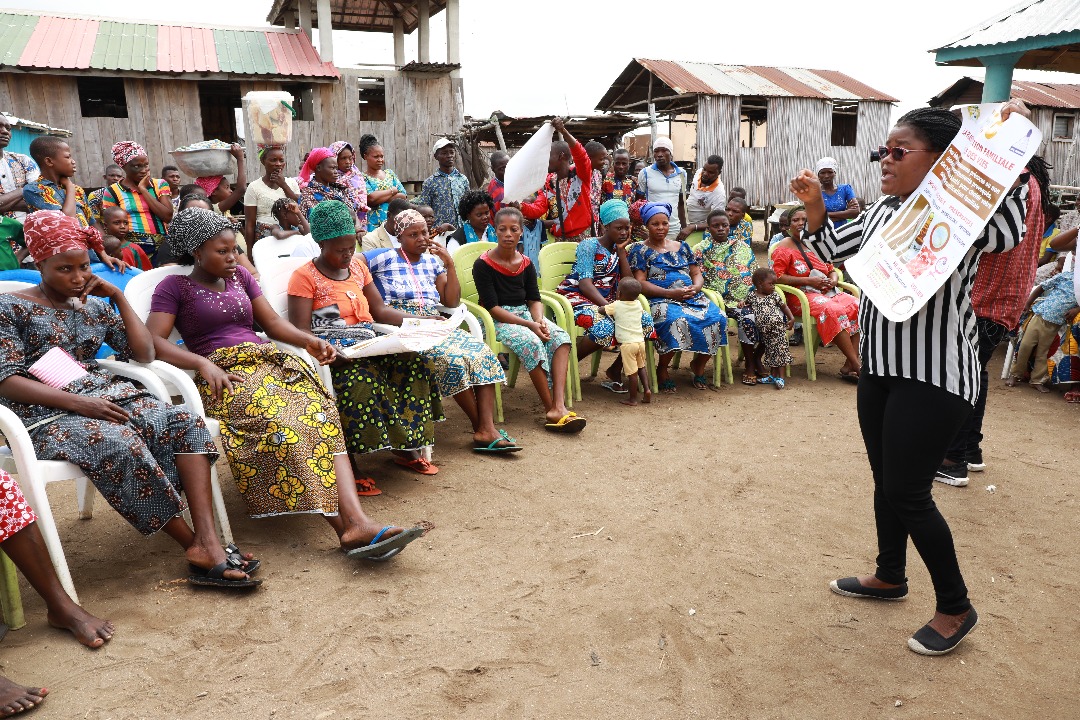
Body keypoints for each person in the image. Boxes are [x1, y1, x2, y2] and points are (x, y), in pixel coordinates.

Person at [790, 101, 1032, 656]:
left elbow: (1009, 231)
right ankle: (889, 574)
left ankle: (955, 605)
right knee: (885, 479)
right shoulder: (882, 211)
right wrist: (815, 206)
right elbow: (831, 250)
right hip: (880, 369)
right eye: (884, 150)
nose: (885, 159)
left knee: (907, 491)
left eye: (899, 151)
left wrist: (998, 151)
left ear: (941, 159)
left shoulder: (964, 214)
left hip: (934, 374)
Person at [0, 211, 259, 588]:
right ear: (38, 263)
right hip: (42, 412)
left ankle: (207, 539)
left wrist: (119, 296)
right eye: (63, 269)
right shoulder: (9, 308)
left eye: (83, 267)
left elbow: (144, 352)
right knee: (117, 442)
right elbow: (5, 380)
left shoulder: (92, 303)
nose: (77, 278)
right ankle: (194, 545)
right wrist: (80, 405)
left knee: (184, 421)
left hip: (103, 396)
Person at [147, 207, 426, 556]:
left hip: (267, 362)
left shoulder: (240, 280)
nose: (234, 258)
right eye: (222, 251)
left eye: (235, 249)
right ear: (196, 251)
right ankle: (347, 528)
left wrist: (310, 341)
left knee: (321, 411)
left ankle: (357, 519)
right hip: (226, 375)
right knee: (287, 422)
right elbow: (151, 342)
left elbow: (272, 326)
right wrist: (201, 364)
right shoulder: (175, 287)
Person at [286, 201, 444, 481]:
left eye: (351, 248)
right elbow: (301, 330)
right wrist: (328, 348)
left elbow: (380, 311)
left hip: (370, 343)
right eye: (340, 250)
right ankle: (352, 465)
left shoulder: (358, 270)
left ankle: (407, 447)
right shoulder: (304, 277)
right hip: (333, 352)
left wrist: (423, 322)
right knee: (363, 380)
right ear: (322, 245)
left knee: (415, 364)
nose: (348, 255)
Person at [364, 208, 518, 452]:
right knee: (453, 362)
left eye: (424, 232)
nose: (421, 239)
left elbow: (452, 301)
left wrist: (450, 265)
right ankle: (484, 429)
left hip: (436, 320)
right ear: (399, 237)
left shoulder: (433, 262)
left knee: (481, 352)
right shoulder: (383, 258)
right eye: (413, 235)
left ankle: (485, 428)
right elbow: (354, 261)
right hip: (404, 324)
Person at [936, 159, 1050, 485]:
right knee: (975, 372)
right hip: (1005, 295)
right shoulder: (1033, 186)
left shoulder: (1016, 182)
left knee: (962, 376)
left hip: (987, 294)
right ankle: (969, 450)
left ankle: (952, 458)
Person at [474, 206, 585, 432]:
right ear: (494, 231)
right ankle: (550, 408)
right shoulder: (483, 264)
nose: (508, 234)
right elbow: (493, 308)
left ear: (521, 232)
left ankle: (559, 404)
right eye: (502, 229)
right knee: (532, 341)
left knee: (560, 338)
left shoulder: (525, 262)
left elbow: (534, 298)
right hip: (498, 322)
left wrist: (540, 321)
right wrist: (530, 326)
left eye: (513, 229)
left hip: (526, 315)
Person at [555, 200, 654, 392]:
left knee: (647, 323)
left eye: (627, 228)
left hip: (609, 301)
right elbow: (584, 284)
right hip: (577, 297)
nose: (624, 232)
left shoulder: (622, 248)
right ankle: (569, 364)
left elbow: (630, 285)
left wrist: (622, 254)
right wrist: (613, 310)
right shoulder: (589, 245)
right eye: (619, 228)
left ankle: (615, 370)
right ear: (605, 226)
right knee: (605, 326)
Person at [628, 202, 727, 392]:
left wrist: (696, 288)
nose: (660, 228)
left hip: (691, 297)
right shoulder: (639, 250)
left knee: (718, 317)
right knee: (675, 320)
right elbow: (640, 282)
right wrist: (669, 293)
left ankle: (698, 364)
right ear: (646, 226)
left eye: (664, 223)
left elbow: (696, 273)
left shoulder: (682, 247)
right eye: (655, 224)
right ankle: (662, 368)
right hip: (659, 299)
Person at [771, 207, 861, 381]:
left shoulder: (818, 245)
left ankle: (849, 365)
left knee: (858, 306)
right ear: (789, 225)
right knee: (832, 309)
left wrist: (834, 280)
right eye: (795, 220)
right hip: (800, 296)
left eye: (804, 219)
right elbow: (777, 277)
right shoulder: (783, 247)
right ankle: (857, 365)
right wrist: (808, 281)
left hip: (826, 291)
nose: (800, 223)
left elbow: (830, 269)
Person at [518, 118, 593, 243]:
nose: (544, 161)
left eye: (547, 156)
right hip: (561, 240)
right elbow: (538, 209)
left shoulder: (580, 175)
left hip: (584, 240)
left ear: (561, 156)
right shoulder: (549, 184)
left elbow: (581, 155)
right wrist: (520, 206)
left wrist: (563, 131)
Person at [100, 140, 173, 262]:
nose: (143, 170)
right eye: (137, 166)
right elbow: (111, 223)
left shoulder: (159, 185)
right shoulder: (112, 192)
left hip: (161, 246)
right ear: (124, 167)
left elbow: (167, 216)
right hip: (131, 248)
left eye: (146, 165)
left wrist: (143, 189)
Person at [1008, 266, 1077, 392]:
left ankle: (1037, 380)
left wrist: (1077, 309)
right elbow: (1042, 287)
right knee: (1025, 346)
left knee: (1043, 352)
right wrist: (1028, 303)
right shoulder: (1065, 276)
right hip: (1040, 315)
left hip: (1056, 323)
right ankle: (1015, 374)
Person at [601, 277, 651, 406]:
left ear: (619, 294)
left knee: (631, 373)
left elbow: (602, 310)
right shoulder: (638, 304)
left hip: (628, 345)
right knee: (641, 367)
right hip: (640, 341)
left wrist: (601, 308)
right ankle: (647, 389)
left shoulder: (616, 305)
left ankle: (632, 399)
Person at [743, 268, 794, 389]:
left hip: (778, 330)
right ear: (760, 284)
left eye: (774, 284)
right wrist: (741, 303)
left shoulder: (774, 296)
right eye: (770, 284)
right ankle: (772, 376)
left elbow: (784, 307)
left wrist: (791, 318)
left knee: (780, 353)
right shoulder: (752, 296)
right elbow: (745, 303)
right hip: (766, 332)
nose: (773, 287)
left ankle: (780, 378)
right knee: (771, 354)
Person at [298, 147, 368, 232]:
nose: (336, 172)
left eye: (336, 168)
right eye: (332, 168)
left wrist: (357, 229)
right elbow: (312, 226)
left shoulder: (341, 190)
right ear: (319, 168)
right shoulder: (308, 196)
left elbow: (354, 214)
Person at [243, 145, 300, 243]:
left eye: (281, 160)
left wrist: (284, 185)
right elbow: (250, 224)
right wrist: (250, 253)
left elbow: (300, 208)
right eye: (273, 160)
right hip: (265, 239)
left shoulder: (292, 183)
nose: (278, 164)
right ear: (263, 161)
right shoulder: (254, 187)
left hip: (291, 235)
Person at [636, 137, 687, 241]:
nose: (659, 154)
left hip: (674, 229)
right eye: (656, 151)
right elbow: (639, 203)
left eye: (664, 150)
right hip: (653, 228)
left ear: (671, 153)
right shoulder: (645, 173)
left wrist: (684, 228)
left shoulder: (682, 174)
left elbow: (681, 203)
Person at [357, 134, 406, 232]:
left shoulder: (390, 174)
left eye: (382, 156)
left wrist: (380, 198)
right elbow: (371, 198)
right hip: (373, 225)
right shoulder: (361, 177)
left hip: (394, 224)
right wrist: (393, 190)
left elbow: (403, 196)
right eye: (376, 157)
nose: (380, 160)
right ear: (365, 156)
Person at [418, 138, 469, 232]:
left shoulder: (463, 179)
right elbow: (424, 211)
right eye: (444, 153)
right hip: (440, 233)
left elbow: (469, 207)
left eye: (451, 152)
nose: (449, 156)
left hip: (462, 230)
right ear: (436, 156)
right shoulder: (430, 183)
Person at [0, 115, 38, 222]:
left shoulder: (24, 161)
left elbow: (40, 199)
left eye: (8, 128)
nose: (5, 132)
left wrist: (4, 201)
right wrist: (23, 190)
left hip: (29, 234)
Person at [328, 140, 369, 232]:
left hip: (360, 221)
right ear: (334, 158)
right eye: (343, 158)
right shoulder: (329, 177)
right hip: (340, 223)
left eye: (350, 158)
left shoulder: (356, 175)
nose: (348, 162)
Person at [684, 155, 727, 237]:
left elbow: (717, 221)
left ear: (719, 173)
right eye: (705, 169)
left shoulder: (719, 193)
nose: (705, 173)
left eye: (711, 172)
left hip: (699, 231)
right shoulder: (699, 172)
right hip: (685, 224)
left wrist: (694, 227)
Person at [101, 206, 152, 271]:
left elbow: (146, 273)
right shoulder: (100, 249)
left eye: (125, 223)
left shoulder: (135, 249)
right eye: (117, 223)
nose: (122, 226)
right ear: (105, 226)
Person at [816, 157, 859, 227]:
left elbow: (855, 212)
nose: (826, 176)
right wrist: (845, 214)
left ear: (835, 173)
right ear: (818, 175)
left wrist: (826, 215)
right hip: (823, 232)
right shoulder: (815, 193)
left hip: (843, 231)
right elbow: (815, 217)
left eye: (830, 172)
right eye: (822, 173)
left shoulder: (845, 189)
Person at [585, 141, 608, 235]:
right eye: (601, 159)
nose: (604, 163)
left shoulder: (598, 174)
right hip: (580, 224)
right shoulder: (574, 174)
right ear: (589, 158)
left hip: (594, 223)